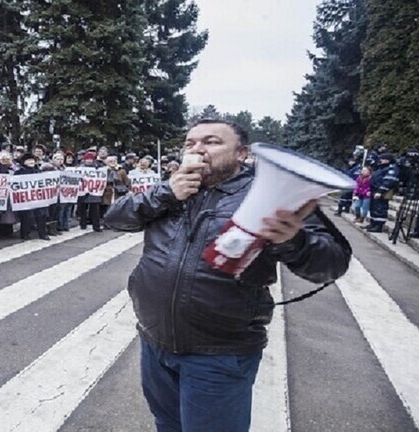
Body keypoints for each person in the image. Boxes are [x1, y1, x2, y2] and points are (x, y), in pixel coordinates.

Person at [105, 119, 351, 432]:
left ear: (241, 153)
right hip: (155, 341)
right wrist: (165, 193)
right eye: (190, 143)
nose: (197, 149)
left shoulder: (270, 194)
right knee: (167, 424)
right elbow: (116, 218)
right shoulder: (172, 188)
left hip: (219, 354)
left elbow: (332, 263)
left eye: (211, 142)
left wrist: (294, 241)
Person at [14, 153, 49, 241]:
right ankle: (25, 234)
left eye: (33, 160)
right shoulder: (19, 173)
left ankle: (42, 234)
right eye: (29, 160)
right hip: (26, 199)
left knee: (41, 215)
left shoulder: (38, 171)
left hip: (38, 198)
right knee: (27, 217)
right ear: (24, 162)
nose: (31, 162)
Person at [365, 153, 400, 233]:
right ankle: (373, 223)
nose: (381, 160)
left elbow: (389, 181)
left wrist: (380, 191)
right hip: (375, 189)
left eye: (383, 159)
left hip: (382, 191)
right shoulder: (381, 167)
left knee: (380, 208)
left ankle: (378, 226)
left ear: (388, 160)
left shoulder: (392, 168)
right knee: (373, 207)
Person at [76, 152, 102, 232]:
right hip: (83, 190)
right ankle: (83, 224)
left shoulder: (98, 168)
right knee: (82, 208)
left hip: (94, 191)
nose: (89, 161)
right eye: (87, 159)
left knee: (95, 209)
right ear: (84, 159)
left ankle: (96, 226)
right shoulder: (80, 168)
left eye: (91, 159)